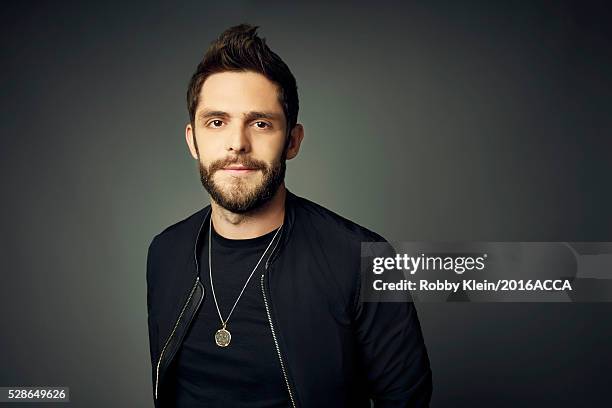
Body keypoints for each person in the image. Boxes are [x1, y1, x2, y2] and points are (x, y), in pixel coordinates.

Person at [146, 23, 432, 408]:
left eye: (260, 123)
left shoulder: (363, 259)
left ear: (292, 141)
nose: (237, 143)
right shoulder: (165, 253)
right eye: (217, 122)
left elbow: (406, 400)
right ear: (192, 140)